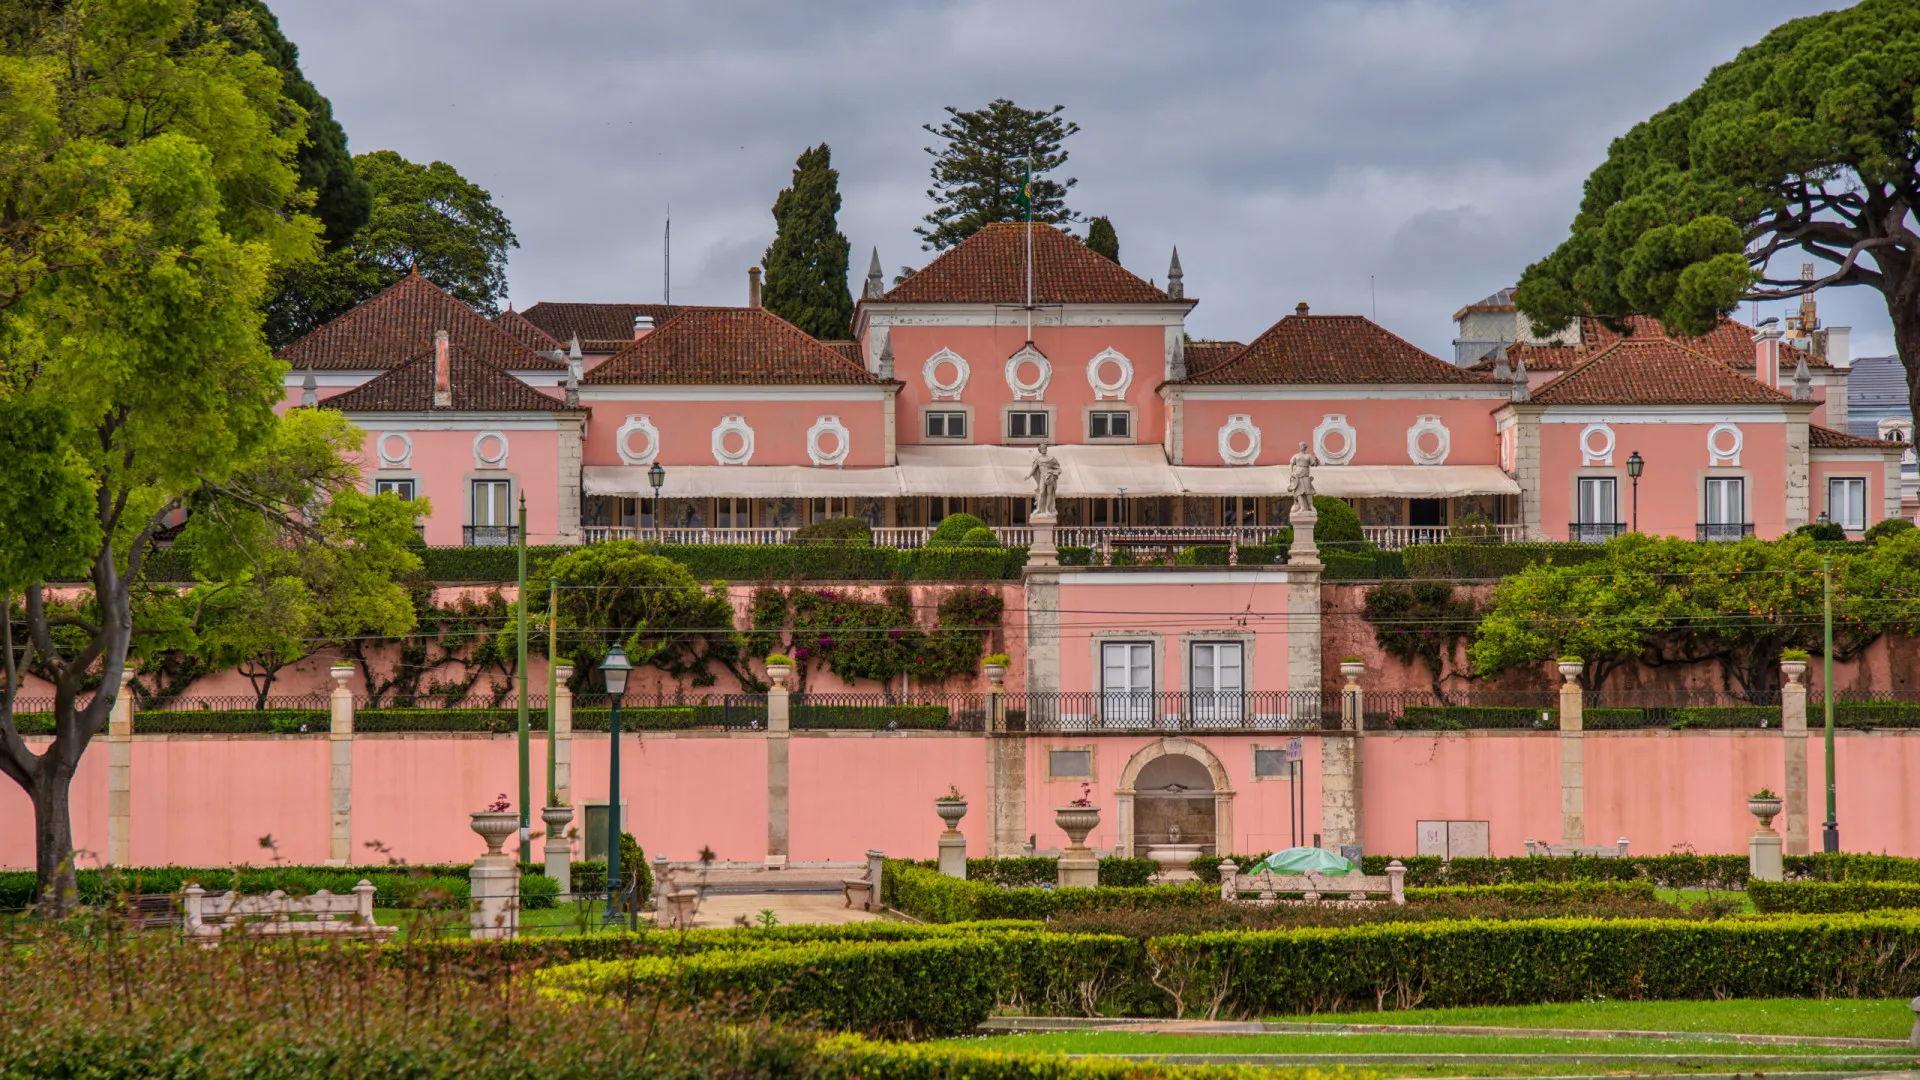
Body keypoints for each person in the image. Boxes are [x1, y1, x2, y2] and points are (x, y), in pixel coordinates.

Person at [1028, 443, 1062, 516]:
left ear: (1046, 449)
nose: (1044, 449)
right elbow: (1034, 469)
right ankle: (1039, 509)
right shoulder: (1038, 460)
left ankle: (1047, 509)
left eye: (1045, 447)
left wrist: (1052, 472)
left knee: (1049, 493)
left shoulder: (1052, 458)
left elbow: (1059, 469)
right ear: (1040, 450)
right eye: (1042, 448)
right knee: (1042, 492)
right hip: (1043, 477)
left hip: (1050, 477)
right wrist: (1028, 476)